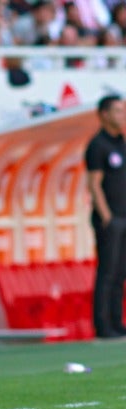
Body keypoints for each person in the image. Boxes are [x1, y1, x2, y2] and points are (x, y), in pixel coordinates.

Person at [85, 95, 126, 339]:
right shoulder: (97, 145)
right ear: (104, 115)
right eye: (118, 111)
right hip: (111, 219)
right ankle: (103, 325)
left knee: (121, 272)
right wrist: (107, 217)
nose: (122, 116)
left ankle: (117, 322)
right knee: (107, 272)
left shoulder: (121, 143)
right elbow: (94, 183)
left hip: (125, 215)